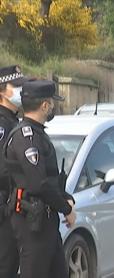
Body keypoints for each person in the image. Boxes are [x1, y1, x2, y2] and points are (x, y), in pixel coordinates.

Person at [3, 80, 77, 278]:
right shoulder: (26, 137)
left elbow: (51, 178)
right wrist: (66, 209)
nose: (53, 107)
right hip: (32, 221)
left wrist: (65, 196)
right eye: (52, 103)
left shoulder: (37, 133)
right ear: (45, 106)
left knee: (58, 272)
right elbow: (38, 183)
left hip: (45, 220)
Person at [0, 65, 32, 277]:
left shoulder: (13, 121)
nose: (21, 90)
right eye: (16, 86)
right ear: (2, 91)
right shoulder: (2, 124)